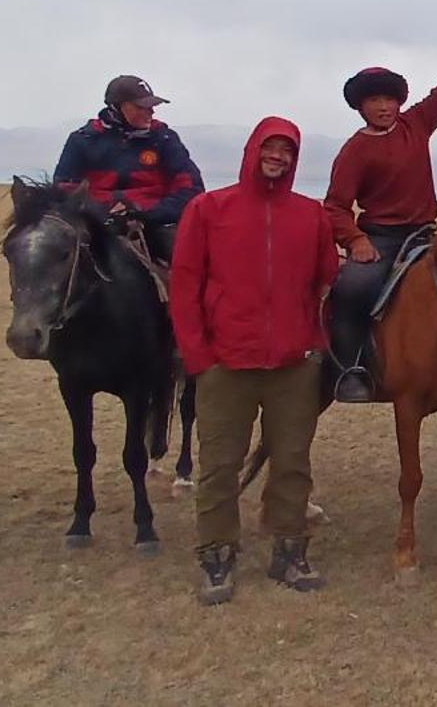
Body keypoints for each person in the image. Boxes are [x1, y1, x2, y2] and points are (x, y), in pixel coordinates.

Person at [169, 117, 340, 605]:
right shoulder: (209, 209)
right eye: (271, 147)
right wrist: (199, 354)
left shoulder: (310, 216)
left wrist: (313, 340)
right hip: (226, 361)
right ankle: (217, 556)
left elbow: (326, 278)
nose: (279, 157)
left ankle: (290, 552)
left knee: (292, 462)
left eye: (288, 150)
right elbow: (184, 286)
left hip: (293, 362)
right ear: (253, 150)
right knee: (220, 464)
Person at [323, 25, 437, 403]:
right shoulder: (354, 151)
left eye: (390, 99)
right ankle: (352, 368)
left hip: (425, 233)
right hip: (381, 238)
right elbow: (335, 208)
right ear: (361, 107)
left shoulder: (417, 124)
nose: (384, 106)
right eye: (374, 101)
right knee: (353, 287)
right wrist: (356, 241)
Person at [53, 75, 204, 264]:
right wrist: (102, 214)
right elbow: (64, 191)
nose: (151, 112)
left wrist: (144, 213)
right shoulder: (82, 141)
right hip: (94, 228)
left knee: (194, 263)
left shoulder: (165, 139)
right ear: (117, 107)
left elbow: (191, 190)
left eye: (151, 106)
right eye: (141, 107)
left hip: (154, 227)